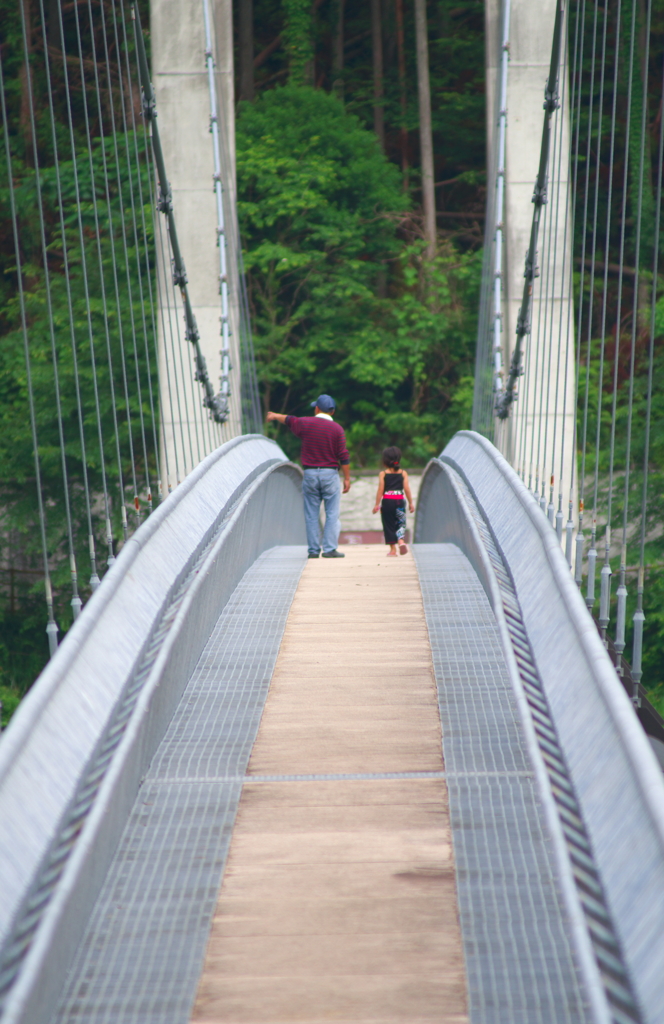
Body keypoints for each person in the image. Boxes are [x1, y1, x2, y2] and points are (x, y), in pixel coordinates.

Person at [267, 394, 351, 559]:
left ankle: (313, 550)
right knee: (332, 513)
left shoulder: (305, 423)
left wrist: (275, 416)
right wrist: (347, 478)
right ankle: (329, 549)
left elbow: (289, 419)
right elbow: (344, 455)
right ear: (332, 412)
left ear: (317, 408)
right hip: (330, 474)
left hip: (311, 473)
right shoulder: (337, 429)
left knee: (312, 514)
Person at [372, 446, 415, 556]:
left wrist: (377, 504)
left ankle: (393, 550)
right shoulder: (403, 473)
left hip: (387, 502)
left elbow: (380, 489)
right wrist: (411, 502)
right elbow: (407, 489)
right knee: (400, 522)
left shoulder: (383, 474)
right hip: (400, 501)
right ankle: (401, 541)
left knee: (389, 524)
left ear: (385, 460)